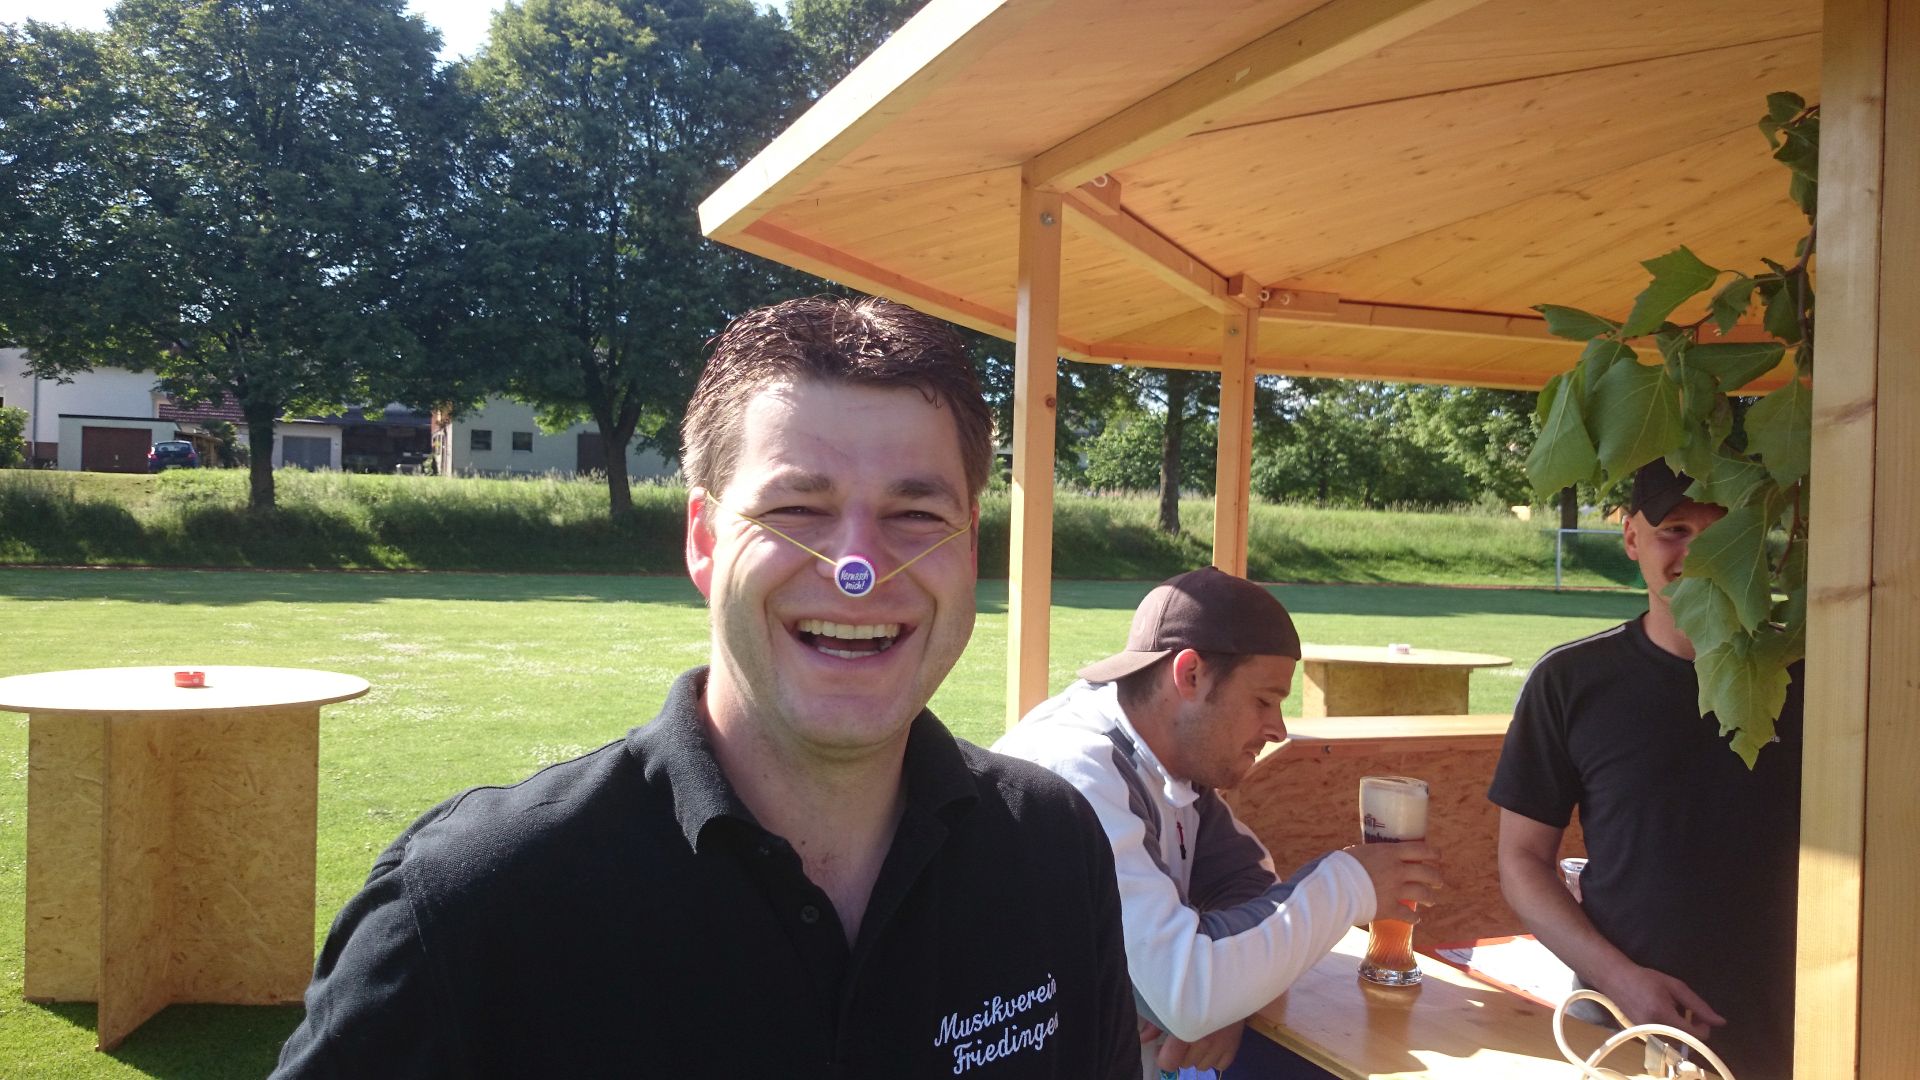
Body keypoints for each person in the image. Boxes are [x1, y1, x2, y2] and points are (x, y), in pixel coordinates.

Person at [273, 297, 1139, 1078]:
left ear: (969, 549)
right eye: (796, 509)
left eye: (917, 514)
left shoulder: (1053, 848)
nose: (858, 569)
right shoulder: (471, 905)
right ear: (703, 539)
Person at [993, 567, 1444, 1079]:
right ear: (1190, 675)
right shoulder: (1075, 772)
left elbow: (1246, 886)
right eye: (1264, 701)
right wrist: (1352, 883)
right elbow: (1188, 991)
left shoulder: (1165, 758)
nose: (1277, 729)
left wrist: (1228, 997)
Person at [1489, 460, 1803, 1080]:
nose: (1698, 553)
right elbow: (1522, 861)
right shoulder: (1571, 682)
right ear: (1632, 538)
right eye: (1675, 530)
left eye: (1721, 531)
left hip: (1800, 1021)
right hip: (1622, 1027)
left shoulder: (1811, 673)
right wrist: (1621, 980)